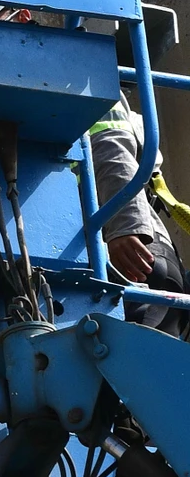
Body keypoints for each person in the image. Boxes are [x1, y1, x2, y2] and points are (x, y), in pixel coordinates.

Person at [89, 96, 189, 334]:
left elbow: (111, 146)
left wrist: (125, 224)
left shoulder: (84, 82)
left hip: (129, 249)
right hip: (131, 249)